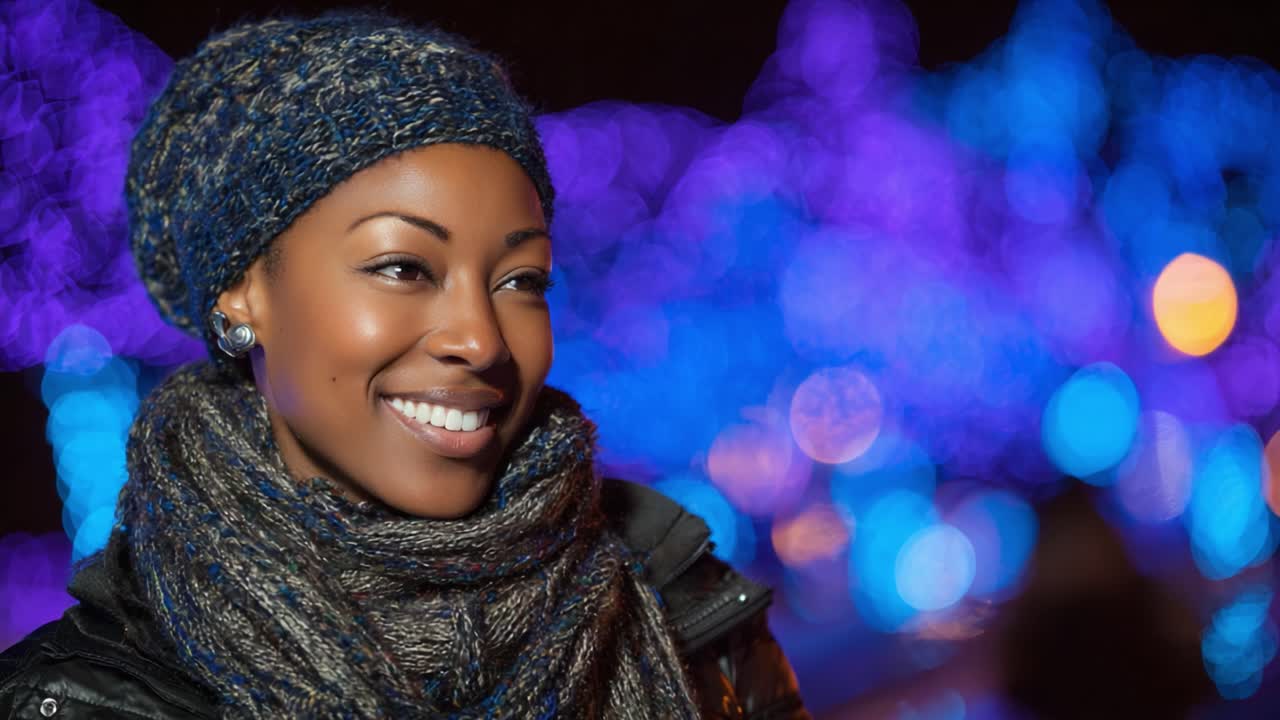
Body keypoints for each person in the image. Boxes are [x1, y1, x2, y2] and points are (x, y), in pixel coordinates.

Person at [0, 10, 809, 720]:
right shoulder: (85, 698)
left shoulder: (685, 607)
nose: (482, 341)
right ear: (242, 295)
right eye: (403, 267)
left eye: (521, 281)